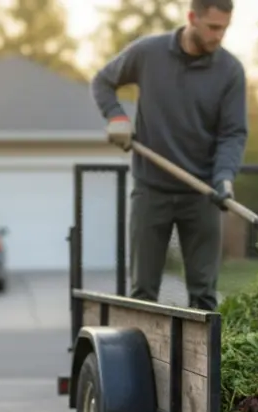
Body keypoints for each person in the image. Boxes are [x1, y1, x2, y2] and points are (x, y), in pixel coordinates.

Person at [90, 0, 248, 311]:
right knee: (143, 293)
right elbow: (103, 82)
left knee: (204, 296)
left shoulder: (230, 71)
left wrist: (224, 177)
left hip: (202, 193)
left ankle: (199, 347)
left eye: (224, 29)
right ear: (192, 18)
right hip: (151, 189)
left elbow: (233, 134)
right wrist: (116, 117)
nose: (219, 36)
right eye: (213, 27)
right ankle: (144, 345)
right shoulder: (148, 53)